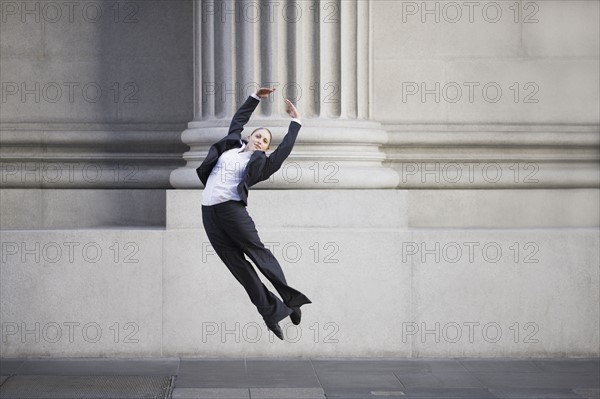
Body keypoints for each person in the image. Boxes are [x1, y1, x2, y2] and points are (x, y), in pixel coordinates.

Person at [197, 87, 312, 340]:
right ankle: (271, 312)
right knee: (238, 268)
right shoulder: (231, 146)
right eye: (258, 136)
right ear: (250, 136)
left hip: (232, 212)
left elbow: (282, 153)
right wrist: (255, 99)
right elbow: (238, 121)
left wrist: (295, 121)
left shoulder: (261, 163)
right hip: (209, 214)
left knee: (259, 256)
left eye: (265, 141)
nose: (260, 140)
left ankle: (292, 300)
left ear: (265, 148)